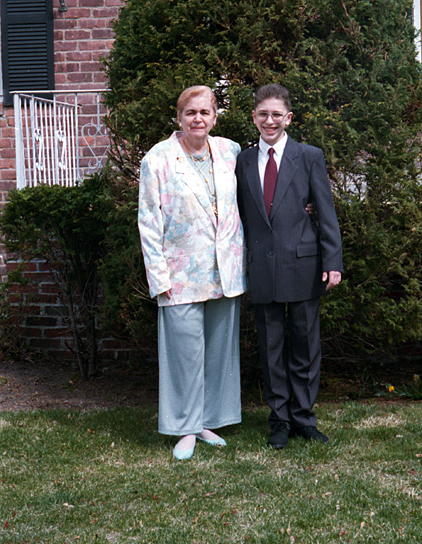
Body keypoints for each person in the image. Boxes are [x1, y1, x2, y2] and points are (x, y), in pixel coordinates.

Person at [138, 85, 246, 461]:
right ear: (178, 118)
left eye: (204, 112)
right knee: (184, 354)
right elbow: (148, 223)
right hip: (179, 273)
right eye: (190, 113)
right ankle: (184, 428)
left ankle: (206, 422)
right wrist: (158, 278)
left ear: (215, 117)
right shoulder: (158, 159)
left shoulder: (230, 152)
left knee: (218, 351)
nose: (197, 119)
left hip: (224, 269)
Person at [236, 83, 343, 449]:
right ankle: (279, 419)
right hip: (262, 266)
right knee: (270, 348)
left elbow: (325, 211)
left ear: (289, 118)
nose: (270, 120)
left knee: (305, 345)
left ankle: (304, 418)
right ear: (254, 117)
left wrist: (333, 261)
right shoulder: (243, 161)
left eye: (276, 115)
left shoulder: (308, 156)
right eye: (263, 114)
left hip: (303, 264)